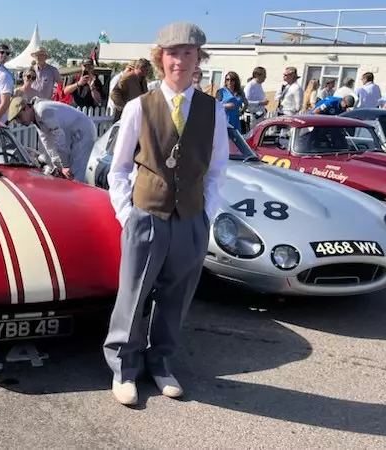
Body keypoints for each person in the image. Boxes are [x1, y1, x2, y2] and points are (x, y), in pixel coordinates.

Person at [103, 21, 228, 406]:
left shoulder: (213, 110)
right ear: (161, 60)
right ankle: (124, 369)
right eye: (172, 53)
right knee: (134, 294)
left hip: (190, 218)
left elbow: (217, 169)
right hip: (146, 214)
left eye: (187, 53)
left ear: (198, 60)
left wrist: (205, 214)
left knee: (176, 297)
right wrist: (127, 214)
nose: (179, 60)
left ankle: (161, 364)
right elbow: (119, 167)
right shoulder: (140, 106)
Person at [7, 95, 97, 182]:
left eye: (19, 117)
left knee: (75, 174)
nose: (19, 121)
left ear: (26, 108)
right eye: (16, 119)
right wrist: (58, 166)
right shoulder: (36, 118)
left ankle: (80, 195)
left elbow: (59, 138)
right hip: (74, 134)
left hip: (83, 131)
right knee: (69, 173)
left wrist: (64, 166)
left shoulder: (42, 111)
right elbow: (48, 144)